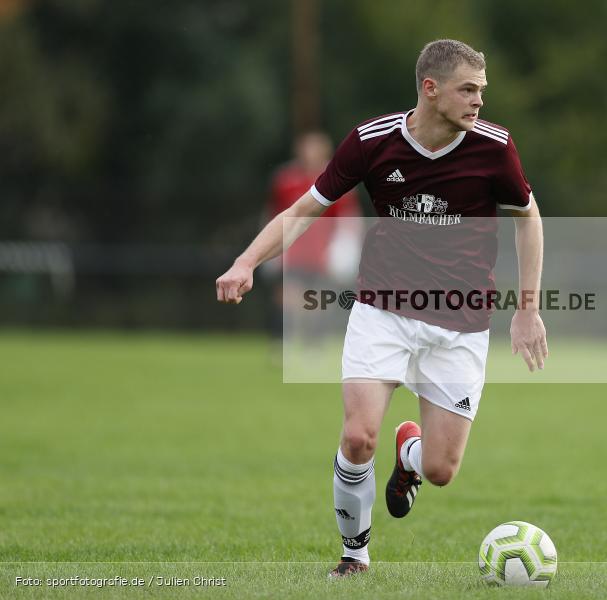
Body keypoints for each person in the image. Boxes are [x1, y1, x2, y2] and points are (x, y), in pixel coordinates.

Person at [216, 39, 547, 578]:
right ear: (430, 88)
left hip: (461, 326)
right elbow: (305, 211)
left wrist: (527, 308)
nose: (479, 102)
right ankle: (355, 556)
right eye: (468, 90)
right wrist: (247, 261)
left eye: (482, 91)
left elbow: (527, 218)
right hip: (383, 311)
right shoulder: (372, 142)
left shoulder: (495, 148)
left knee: (440, 471)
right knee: (357, 435)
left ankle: (411, 453)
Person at [264, 132, 362, 344]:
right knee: (287, 296)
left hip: (321, 253)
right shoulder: (286, 180)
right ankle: (281, 341)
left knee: (316, 299)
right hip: (294, 250)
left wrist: (345, 249)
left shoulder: (338, 180)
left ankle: (313, 343)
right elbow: (275, 214)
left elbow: (348, 220)